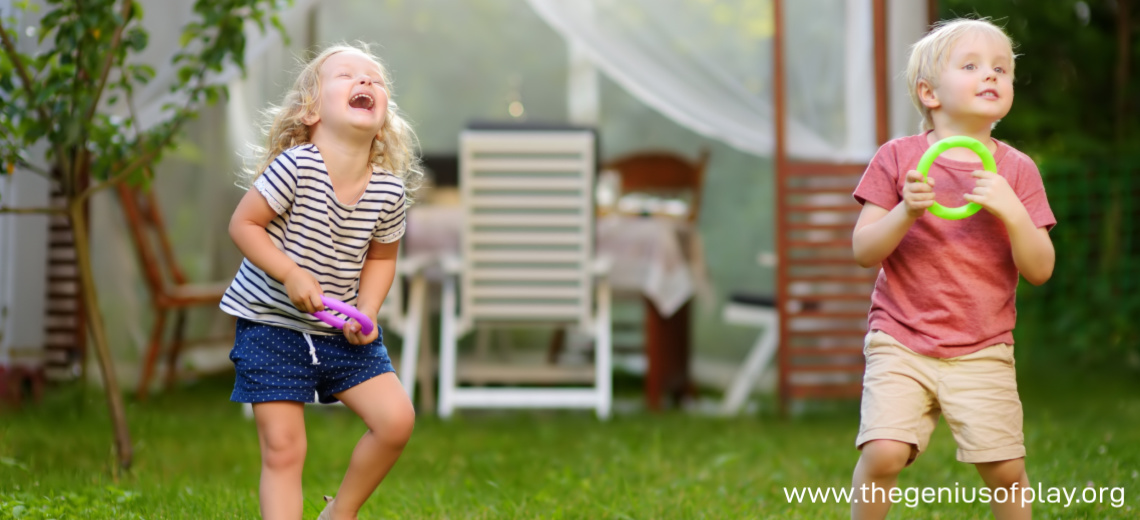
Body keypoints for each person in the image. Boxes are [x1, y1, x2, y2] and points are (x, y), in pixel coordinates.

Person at [849, 19, 1056, 520]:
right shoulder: (898, 159)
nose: (991, 76)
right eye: (971, 66)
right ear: (929, 92)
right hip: (900, 336)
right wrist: (906, 211)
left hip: (982, 344)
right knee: (882, 453)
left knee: (1005, 470)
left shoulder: (1017, 171)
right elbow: (864, 249)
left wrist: (1011, 211)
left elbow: (1041, 268)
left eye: (1001, 69)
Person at [220, 42, 422, 520]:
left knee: (396, 421)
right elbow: (243, 225)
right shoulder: (296, 166)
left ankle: (340, 512)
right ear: (310, 111)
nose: (366, 82)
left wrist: (368, 309)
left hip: (340, 327)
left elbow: (381, 259)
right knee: (284, 449)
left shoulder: (388, 191)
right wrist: (290, 273)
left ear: (383, 114)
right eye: (347, 75)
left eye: (375, 80)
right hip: (271, 325)